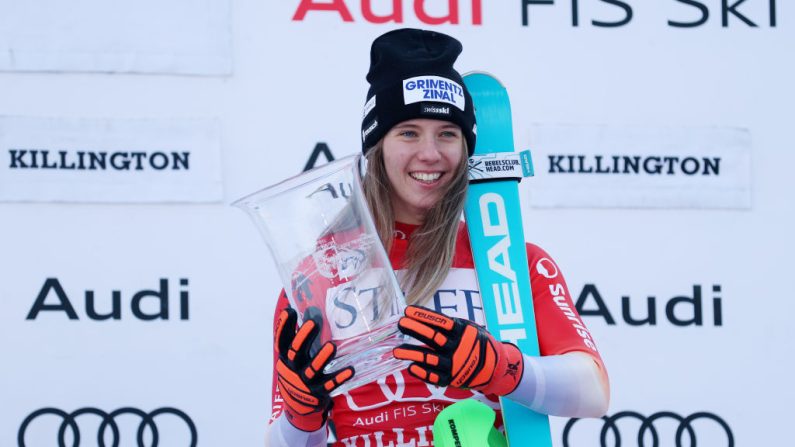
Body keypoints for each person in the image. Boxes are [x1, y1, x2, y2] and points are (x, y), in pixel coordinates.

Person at [267, 28, 610, 446]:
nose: (430, 153)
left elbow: (593, 393)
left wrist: (499, 367)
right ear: (377, 147)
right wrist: (301, 415)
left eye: (448, 133)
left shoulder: (511, 260)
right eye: (408, 132)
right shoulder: (318, 276)